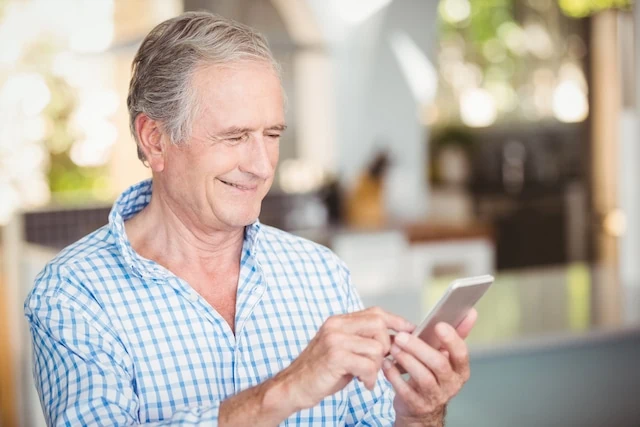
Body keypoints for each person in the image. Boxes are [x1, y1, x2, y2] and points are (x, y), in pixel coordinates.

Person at [24, 12, 477, 426]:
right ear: (155, 139)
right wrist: (285, 390)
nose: (261, 165)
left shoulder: (321, 274)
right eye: (235, 136)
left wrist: (421, 413)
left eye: (272, 134)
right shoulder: (74, 294)